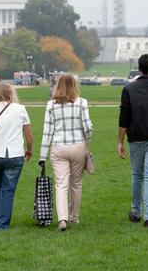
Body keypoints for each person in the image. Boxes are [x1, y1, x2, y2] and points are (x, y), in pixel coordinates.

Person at [38, 73, 93, 232]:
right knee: (76, 185)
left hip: (58, 147)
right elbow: (88, 128)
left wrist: (43, 156)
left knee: (61, 185)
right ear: (74, 86)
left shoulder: (51, 105)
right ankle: (73, 218)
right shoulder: (82, 103)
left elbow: (47, 132)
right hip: (78, 146)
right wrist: (86, 143)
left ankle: (62, 219)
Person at [118, 54, 148, 228]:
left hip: (136, 136)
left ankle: (136, 213)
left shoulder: (129, 89)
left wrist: (120, 141)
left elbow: (124, 116)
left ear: (138, 68)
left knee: (137, 176)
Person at [0, 82, 33, 230]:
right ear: (12, 93)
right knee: (8, 190)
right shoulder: (20, 109)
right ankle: (2, 225)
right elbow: (28, 134)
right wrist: (29, 149)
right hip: (15, 154)